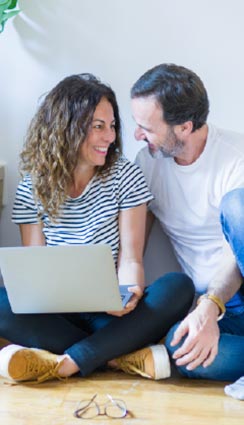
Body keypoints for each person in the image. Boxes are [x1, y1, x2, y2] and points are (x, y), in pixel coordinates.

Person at [0, 73, 194, 384]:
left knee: (178, 288)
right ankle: (118, 358)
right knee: (3, 303)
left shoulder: (124, 176)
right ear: (66, 127)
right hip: (58, 315)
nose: (110, 136)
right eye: (98, 126)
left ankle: (67, 363)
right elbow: (35, 268)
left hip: (111, 315)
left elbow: (131, 259)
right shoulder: (32, 187)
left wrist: (127, 295)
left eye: (113, 126)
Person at [131, 63, 244, 399]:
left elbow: (233, 254)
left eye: (146, 128)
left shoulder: (236, 158)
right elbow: (136, 238)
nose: (137, 135)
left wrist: (210, 305)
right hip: (224, 310)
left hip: (226, 291)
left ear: (184, 126)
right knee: (178, 349)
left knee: (239, 205)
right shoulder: (147, 163)